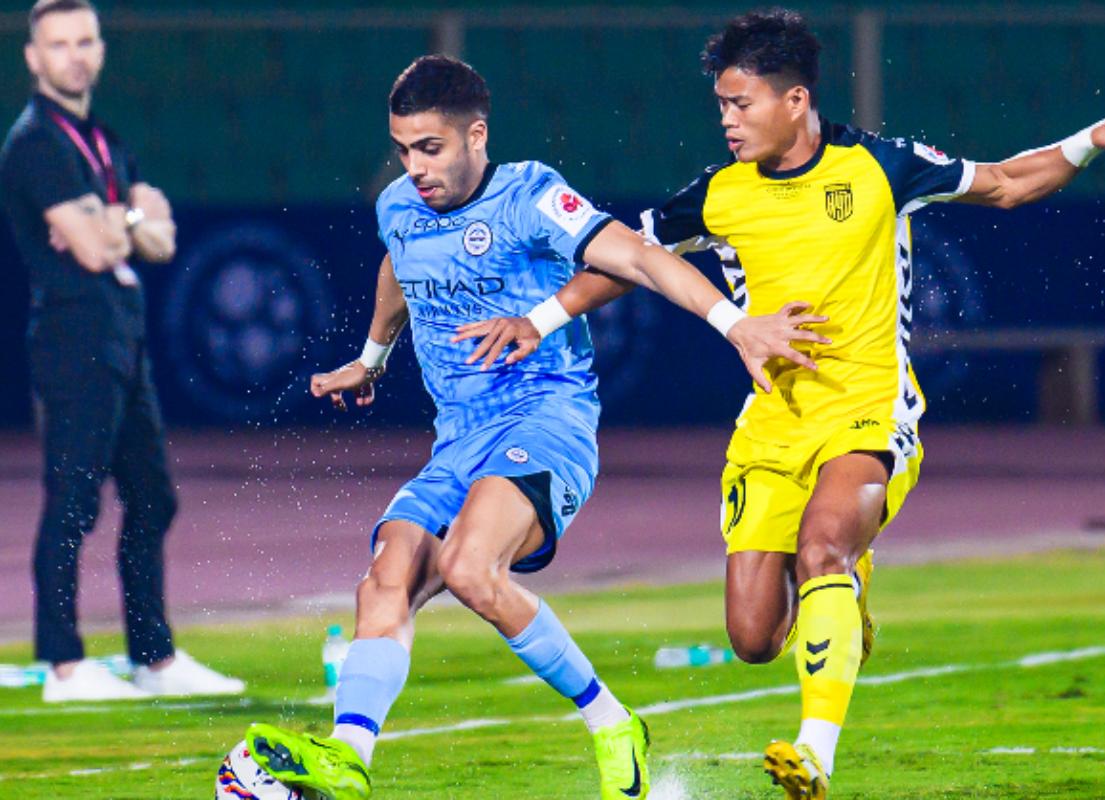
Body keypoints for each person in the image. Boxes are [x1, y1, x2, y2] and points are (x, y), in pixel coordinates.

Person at [461, 10, 1105, 798]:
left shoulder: (881, 167)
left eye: (742, 104)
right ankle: (846, 600)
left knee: (824, 549)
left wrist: (1088, 140)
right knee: (754, 637)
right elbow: (626, 258)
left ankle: (814, 750)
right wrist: (539, 319)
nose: (727, 121)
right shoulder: (720, 196)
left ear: (795, 100)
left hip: (870, 409)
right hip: (774, 426)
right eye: (722, 107)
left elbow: (1007, 184)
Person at [243, 55, 820, 800]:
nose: (414, 167)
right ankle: (349, 758)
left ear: (475, 135)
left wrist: (734, 324)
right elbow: (398, 265)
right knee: (384, 580)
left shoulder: (531, 197)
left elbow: (641, 259)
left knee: (469, 568)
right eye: (403, 149)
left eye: (431, 148)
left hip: (546, 419)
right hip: (459, 437)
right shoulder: (399, 203)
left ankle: (614, 724)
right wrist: (372, 357)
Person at [0, 0, 244, 702]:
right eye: (59, 43)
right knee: (73, 500)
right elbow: (95, 244)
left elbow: (157, 238)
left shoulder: (101, 139)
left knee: (153, 496)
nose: (74, 54)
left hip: (122, 335)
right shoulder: (35, 144)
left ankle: (153, 657)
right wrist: (124, 220)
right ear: (33, 58)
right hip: (73, 338)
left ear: (100, 49)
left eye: (85, 41)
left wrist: (120, 220)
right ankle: (64, 665)